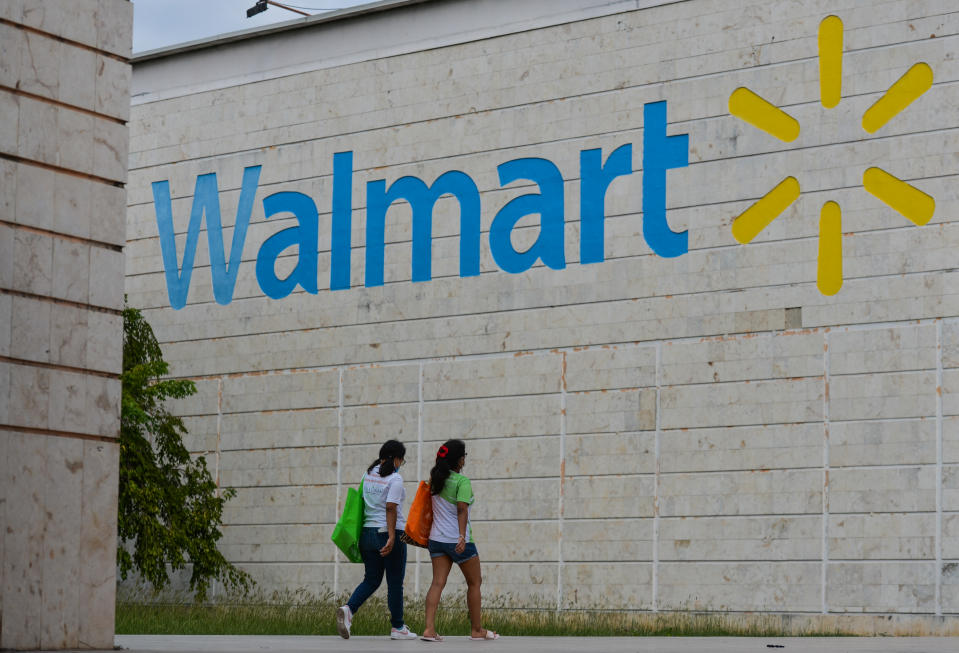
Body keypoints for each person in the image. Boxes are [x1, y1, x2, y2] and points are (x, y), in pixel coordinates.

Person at [420, 439, 500, 642]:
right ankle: (476, 630)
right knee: (475, 583)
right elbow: (461, 509)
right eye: (464, 456)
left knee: (437, 583)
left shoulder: (434, 479)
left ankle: (429, 629)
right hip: (458, 541)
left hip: (436, 539)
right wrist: (462, 536)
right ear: (459, 460)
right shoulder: (462, 482)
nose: (465, 459)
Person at [336, 439, 417, 640]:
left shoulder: (368, 474)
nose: (401, 464)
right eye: (402, 460)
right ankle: (398, 627)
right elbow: (391, 507)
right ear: (397, 458)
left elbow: (363, 502)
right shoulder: (395, 479)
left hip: (367, 533)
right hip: (389, 533)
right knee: (395, 582)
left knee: (371, 579)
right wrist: (391, 536)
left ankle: (348, 610)